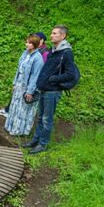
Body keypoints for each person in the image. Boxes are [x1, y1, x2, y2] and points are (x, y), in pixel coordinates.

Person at [22, 25, 76, 154]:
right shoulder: (53, 50)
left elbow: (71, 74)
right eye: (52, 33)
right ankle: (35, 140)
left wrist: (53, 79)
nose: (51, 35)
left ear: (63, 36)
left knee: (47, 119)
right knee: (40, 118)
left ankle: (43, 143)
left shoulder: (66, 53)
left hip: (53, 91)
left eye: (54, 33)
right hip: (44, 89)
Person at [0, 32, 49, 118]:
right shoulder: (27, 52)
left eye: (31, 41)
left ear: (41, 41)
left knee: (25, 105)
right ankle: (9, 112)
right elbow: (20, 68)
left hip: (31, 83)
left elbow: (39, 72)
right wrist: (15, 82)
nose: (28, 43)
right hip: (22, 81)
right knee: (16, 101)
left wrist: (31, 89)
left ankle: (20, 121)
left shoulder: (43, 54)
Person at [4, 34, 44, 136]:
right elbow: (19, 70)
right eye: (27, 42)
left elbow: (35, 76)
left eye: (30, 43)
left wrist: (30, 91)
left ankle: (19, 131)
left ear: (35, 44)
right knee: (15, 107)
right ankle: (10, 126)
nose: (27, 44)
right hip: (19, 85)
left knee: (23, 110)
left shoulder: (38, 58)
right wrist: (14, 83)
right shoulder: (25, 53)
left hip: (27, 87)